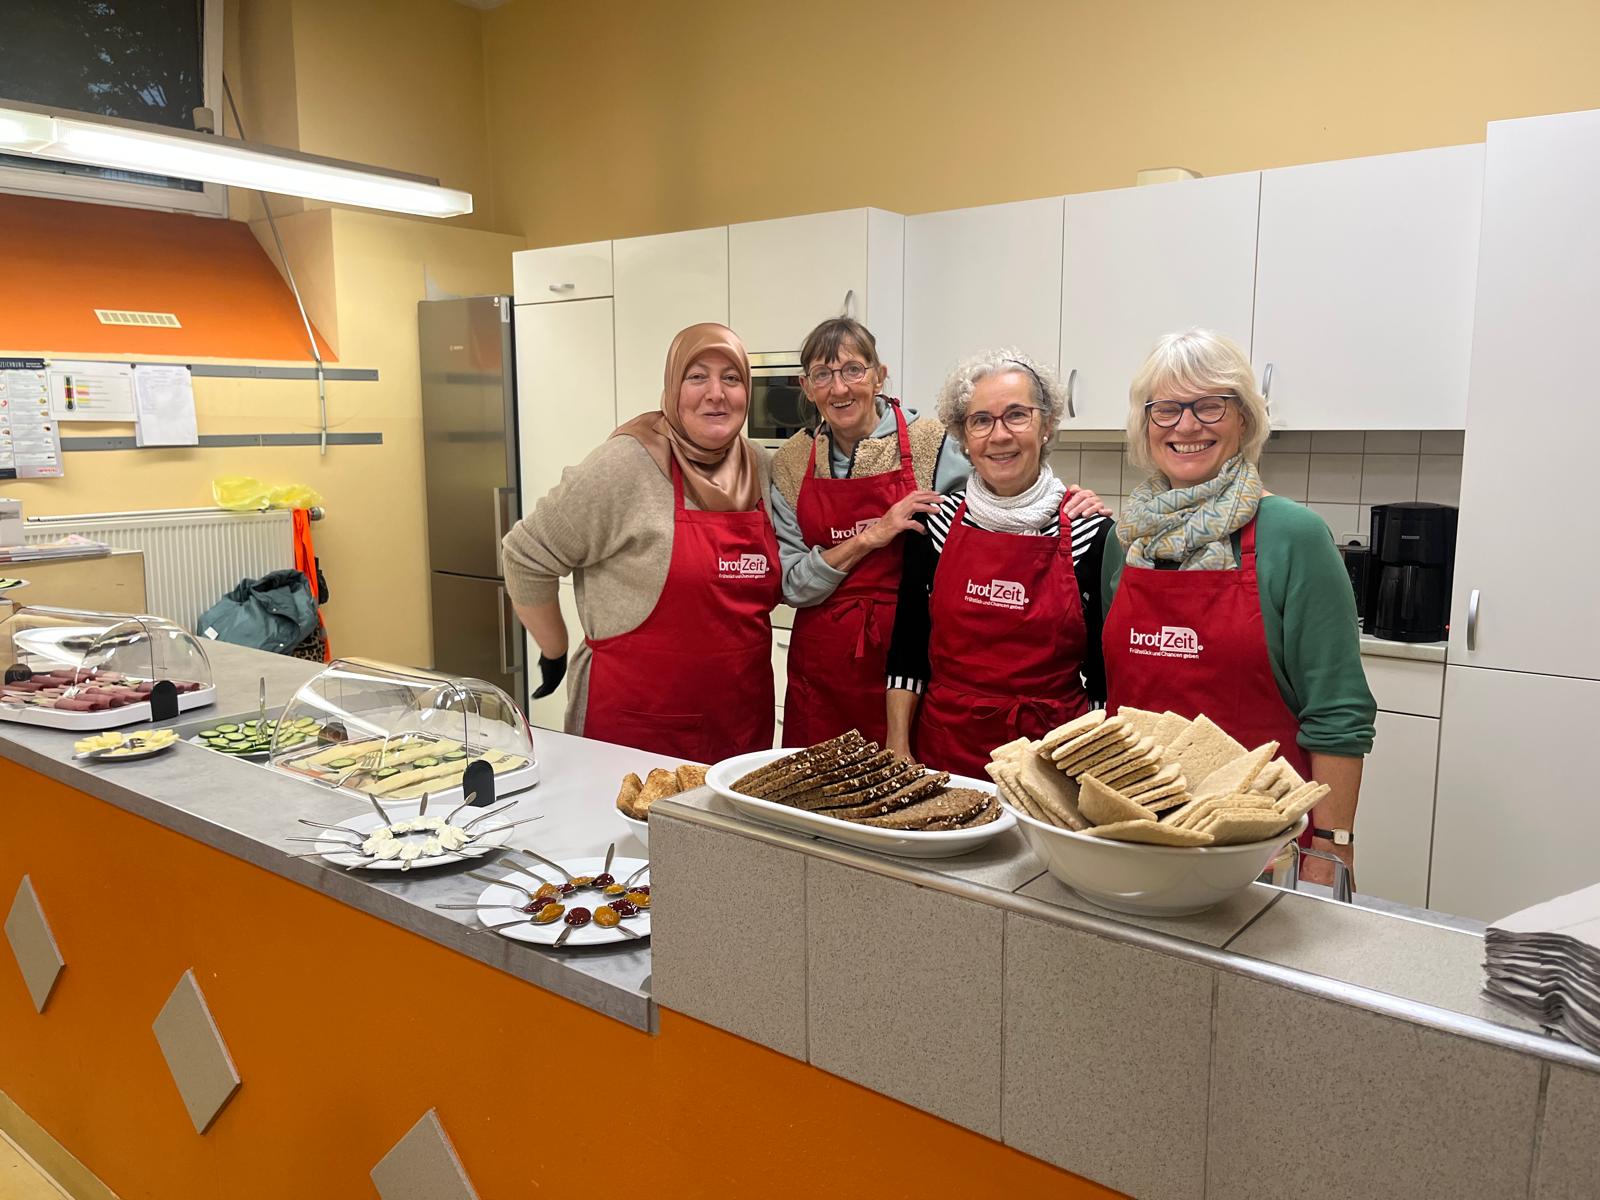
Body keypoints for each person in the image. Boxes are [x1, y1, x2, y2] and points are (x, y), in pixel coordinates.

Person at [1104, 328, 1375, 886]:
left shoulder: (1293, 535)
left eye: (1210, 405)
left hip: (1259, 849)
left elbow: (1339, 712)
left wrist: (1331, 848)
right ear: (1145, 425)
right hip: (1133, 832)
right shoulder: (1126, 539)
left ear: (1245, 420)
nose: (1186, 425)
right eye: (1167, 409)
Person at [501, 322, 781, 762]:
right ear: (672, 386)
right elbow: (524, 555)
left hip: (739, 726)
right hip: (636, 727)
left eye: (731, 378)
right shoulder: (627, 463)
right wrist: (553, 650)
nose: (716, 393)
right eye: (697, 376)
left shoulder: (760, 466)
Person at [885, 350, 1116, 777]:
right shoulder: (933, 525)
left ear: (1046, 425)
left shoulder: (1090, 533)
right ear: (964, 436)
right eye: (981, 420)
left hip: (1054, 761)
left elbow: (1103, 675)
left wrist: (1098, 769)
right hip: (945, 752)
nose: (999, 435)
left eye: (1016, 415)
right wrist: (897, 747)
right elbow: (908, 650)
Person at [768, 317, 959, 747]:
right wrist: (871, 537)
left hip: (912, 663)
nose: (839, 388)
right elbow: (792, 586)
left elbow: (993, 512)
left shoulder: (935, 443)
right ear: (806, 386)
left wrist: (1069, 500)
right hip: (821, 671)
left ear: (879, 375)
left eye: (853, 369)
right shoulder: (792, 461)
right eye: (823, 374)